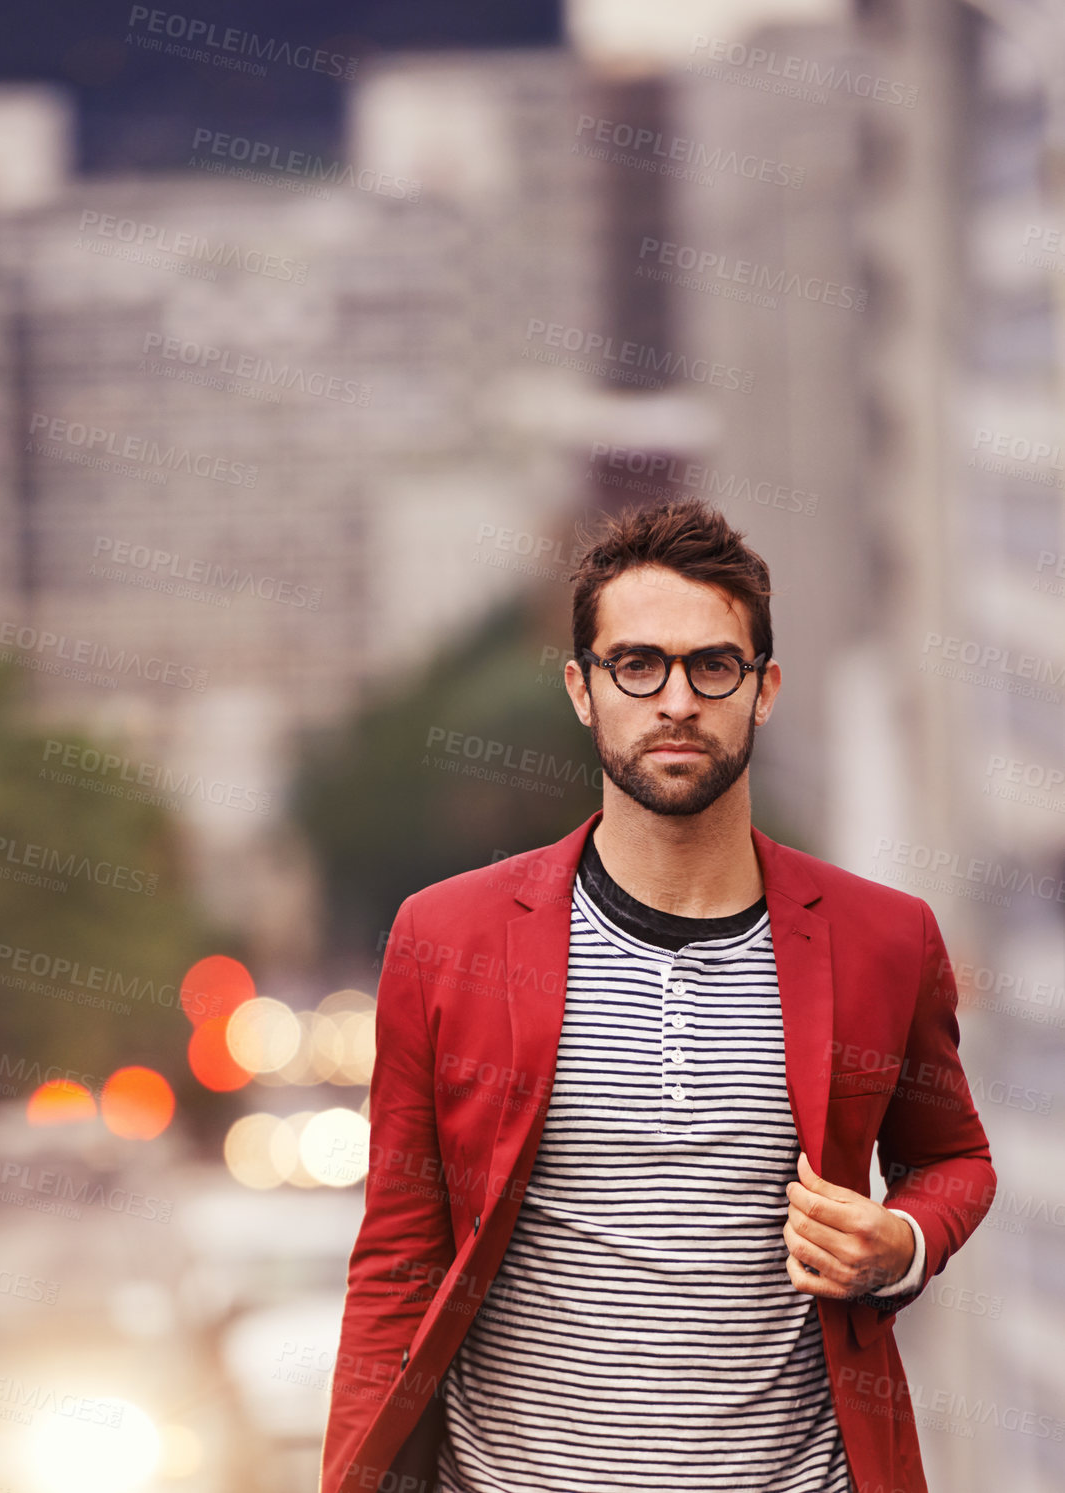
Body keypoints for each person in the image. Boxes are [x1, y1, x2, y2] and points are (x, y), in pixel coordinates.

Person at [319, 497, 996, 1493]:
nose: (675, 698)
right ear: (583, 689)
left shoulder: (884, 938)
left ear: (763, 690)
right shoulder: (447, 939)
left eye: (711, 665)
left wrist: (899, 1242)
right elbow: (396, 1256)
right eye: (637, 665)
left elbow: (953, 1157)